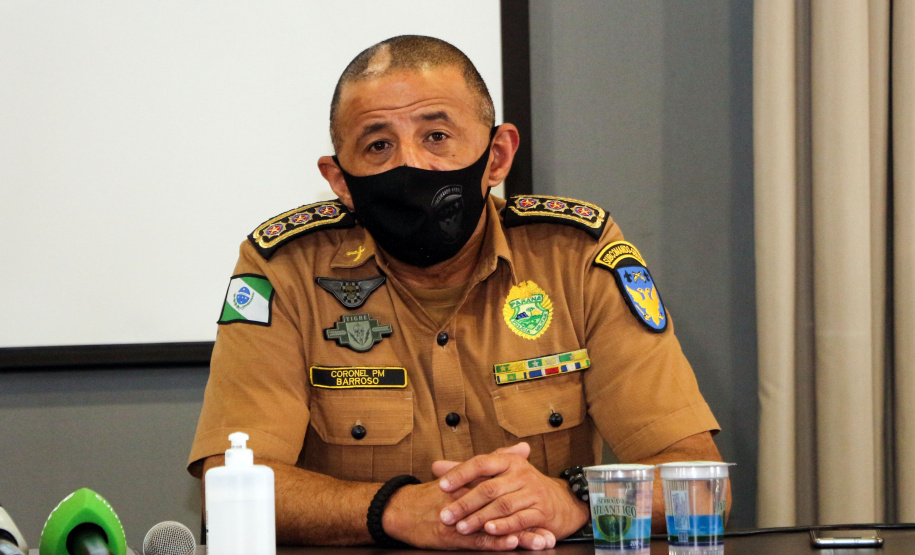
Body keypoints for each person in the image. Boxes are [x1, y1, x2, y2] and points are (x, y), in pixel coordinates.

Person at [188, 35, 725, 551]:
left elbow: (698, 483)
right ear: (341, 181)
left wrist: (571, 498)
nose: (410, 164)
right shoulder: (283, 269)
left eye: (436, 137)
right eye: (378, 145)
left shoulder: (575, 257)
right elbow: (229, 488)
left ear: (496, 156)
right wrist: (394, 511)